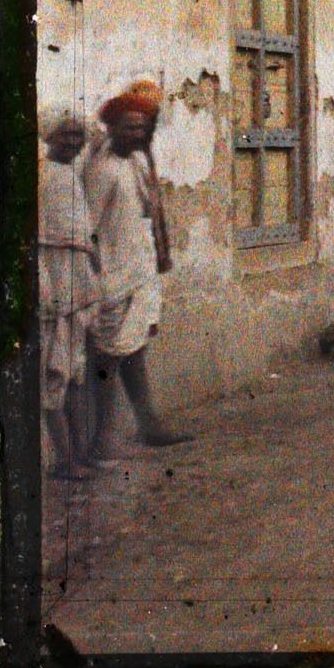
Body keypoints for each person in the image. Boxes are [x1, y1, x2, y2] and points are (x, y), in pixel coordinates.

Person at [84, 80, 192, 459]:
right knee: (108, 359)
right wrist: (97, 279)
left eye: (142, 127)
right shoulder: (103, 169)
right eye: (129, 126)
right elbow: (89, 231)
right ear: (113, 128)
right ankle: (101, 439)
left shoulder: (137, 162)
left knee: (135, 352)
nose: (137, 133)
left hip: (137, 271)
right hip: (112, 277)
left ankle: (149, 426)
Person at [38, 109, 99, 478]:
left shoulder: (71, 176)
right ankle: (66, 459)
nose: (73, 143)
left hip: (76, 284)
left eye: (78, 135)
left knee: (75, 372)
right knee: (54, 374)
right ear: (49, 137)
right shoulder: (42, 177)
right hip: (53, 284)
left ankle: (77, 455)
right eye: (66, 135)